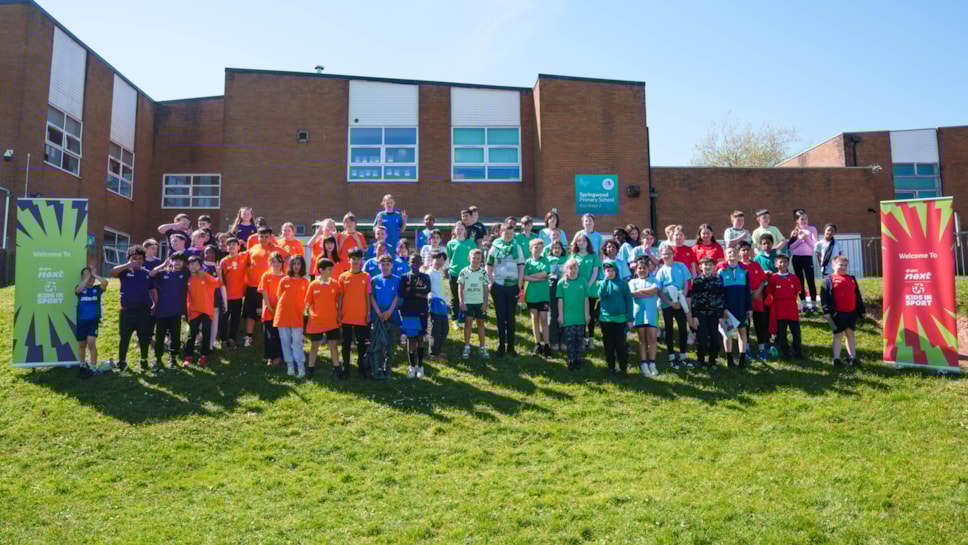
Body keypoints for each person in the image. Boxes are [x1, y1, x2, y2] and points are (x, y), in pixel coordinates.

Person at [110, 245, 153, 371]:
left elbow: (152, 289)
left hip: (143, 311)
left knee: (144, 337)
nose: (137, 261)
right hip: (126, 311)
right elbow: (112, 272)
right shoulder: (124, 272)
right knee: (124, 337)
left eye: (140, 258)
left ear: (143, 260)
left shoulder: (146, 274)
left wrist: (155, 303)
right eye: (134, 258)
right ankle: (122, 362)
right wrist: (128, 265)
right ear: (129, 259)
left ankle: (144, 361)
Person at [486, 220, 526, 358]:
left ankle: (511, 347)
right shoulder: (494, 247)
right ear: (500, 233)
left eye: (511, 233)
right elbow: (489, 265)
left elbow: (521, 266)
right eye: (506, 233)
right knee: (500, 316)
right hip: (499, 286)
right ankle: (501, 345)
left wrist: (519, 284)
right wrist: (491, 282)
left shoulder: (517, 247)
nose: (508, 235)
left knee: (511, 317)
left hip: (512, 287)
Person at [244, 227, 288, 347]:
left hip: (270, 286)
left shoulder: (275, 249)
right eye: (261, 236)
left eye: (266, 237)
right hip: (253, 286)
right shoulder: (252, 249)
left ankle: (272, 336)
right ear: (257, 237)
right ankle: (248, 337)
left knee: (271, 311)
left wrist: (286, 270)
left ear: (271, 237)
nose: (263, 239)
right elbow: (246, 262)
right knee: (251, 313)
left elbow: (287, 257)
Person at [822, 256, 865, 369]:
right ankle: (836, 359)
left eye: (845, 265)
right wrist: (826, 311)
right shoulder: (828, 279)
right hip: (837, 313)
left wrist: (861, 310)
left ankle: (853, 358)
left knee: (850, 334)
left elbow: (857, 295)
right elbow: (825, 296)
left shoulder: (851, 278)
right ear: (833, 265)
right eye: (840, 264)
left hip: (851, 312)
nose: (843, 267)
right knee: (837, 335)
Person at [305, 258, 344, 379]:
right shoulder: (312, 285)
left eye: (331, 269)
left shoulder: (335, 284)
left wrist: (338, 315)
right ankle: (310, 369)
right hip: (316, 321)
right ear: (321, 270)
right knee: (315, 345)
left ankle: (337, 368)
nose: (331, 271)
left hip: (332, 320)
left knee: (333, 344)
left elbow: (340, 301)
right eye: (329, 269)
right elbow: (307, 303)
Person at [149, 253, 188, 370]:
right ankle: (158, 360)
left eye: (180, 260)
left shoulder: (185, 274)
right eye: (175, 260)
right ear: (170, 261)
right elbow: (151, 274)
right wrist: (163, 265)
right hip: (162, 312)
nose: (177, 262)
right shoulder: (163, 273)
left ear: (184, 263)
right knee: (160, 337)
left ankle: (173, 359)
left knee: (175, 337)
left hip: (176, 312)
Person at [656, 244, 692, 370]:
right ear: (661, 255)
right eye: (664, 254)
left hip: (680, 300)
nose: (667, 256)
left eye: (669, 253)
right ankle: (671, 356)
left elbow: (686, 283)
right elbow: (659, 291)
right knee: (669, 330)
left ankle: (683, 355)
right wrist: (671, 303)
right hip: (667, 304)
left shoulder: (681, 266)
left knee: (683, 328)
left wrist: (682, 299)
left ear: (673, 254)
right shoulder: (660, 271)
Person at [596, 259, 634, 376]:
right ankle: (611, 367)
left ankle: (623, 368)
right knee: (608, 345)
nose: (610, 273)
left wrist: (629, 319)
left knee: (620, 345)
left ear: (616, 271)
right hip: (606, 319)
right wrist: (605, 281)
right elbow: (601, 295)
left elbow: (629, 301)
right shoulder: (602, 283)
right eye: (608, 270)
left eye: (613, 270)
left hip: (620, 320)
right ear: (604, 271)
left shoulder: (623, 284)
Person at [338, 248, 371, 378]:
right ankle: (346, 367)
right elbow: (340, 297)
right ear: (349, 260)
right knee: (345, 344)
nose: (356, 261)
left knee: (361, 344)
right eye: (353, 258)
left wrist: (368, 313)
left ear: (362, 260)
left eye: (358, 259)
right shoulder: (343, 276)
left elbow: (367, 296)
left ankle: (362, 367)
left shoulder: (366, 276)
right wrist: (339, 313)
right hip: (346, 316)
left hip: (361, 316)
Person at [275, 255, 310, 378]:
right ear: (290, 265)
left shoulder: (306, 282)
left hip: (297, 316)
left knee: (297, 341)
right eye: (294, 264)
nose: (296, 266)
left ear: (302, 266)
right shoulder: (284, 280)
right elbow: (279, 297)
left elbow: (307, 300)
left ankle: (300, 367)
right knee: (285, 341)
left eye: (299, 264)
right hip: (283, 315)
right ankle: (290, 365)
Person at [689, 256, 726, 369]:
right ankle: (700, 359)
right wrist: (694, 316)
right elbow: (694, 299)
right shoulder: (697, 281)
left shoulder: (718, 280)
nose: (708, 267)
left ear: (714, 267)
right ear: (700, 267)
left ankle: (712, 359)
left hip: (714, 314)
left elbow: (720, 298)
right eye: (705, 265)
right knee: (702, 337)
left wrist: (720, 316)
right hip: (701, 314)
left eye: (710, 265)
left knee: (715, 337)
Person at [183, 255, 221, 366]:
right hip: (193, 310)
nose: (194, 267)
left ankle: (204, 355)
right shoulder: (186, 278)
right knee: (192, 333)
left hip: (206, 309)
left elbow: (218, 283)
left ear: (200, 265)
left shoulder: (205, 276)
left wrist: (218, 273)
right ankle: (188, 355)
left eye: (196, 264)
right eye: (191, 264)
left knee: (206, 332)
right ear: (188, 266)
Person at [719, 246, 753, 368]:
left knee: (742, 332)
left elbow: (747, 290)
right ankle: (729, 358)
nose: (732, 253)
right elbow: (720, 293)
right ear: (725, 256)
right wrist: (723, 308)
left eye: (734, 252)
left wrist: (749, 308)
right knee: (727, 334)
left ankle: (742, 358)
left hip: (741, 307)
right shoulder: (721, 271)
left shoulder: (744, 271)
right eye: (729, 252)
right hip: (728, 309)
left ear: (738, 255)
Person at [399, 254, 431, 378]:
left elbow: (426, 290)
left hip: (421, 311)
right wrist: (417, 291)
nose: (415, 264)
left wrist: (411, 290)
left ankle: (420, 365)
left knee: (420, 338)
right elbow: (402, 293)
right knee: (411, 338)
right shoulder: (404, 277)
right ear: (409, 263)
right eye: (412, 262)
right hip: (408, 311)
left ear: (421, 262)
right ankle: (411, 366)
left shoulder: (425, 276)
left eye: (417, 261)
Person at [369, 254, 401, 378]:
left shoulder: (397, 280)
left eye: (388, 264)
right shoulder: (374, 280)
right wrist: (378, 312)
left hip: (391, 316)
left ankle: (388, 368)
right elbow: (371, 297)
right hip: (378, 316)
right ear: (379, 266)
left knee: (390, 344)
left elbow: (397, 297)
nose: (385, 267)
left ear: (392, 265)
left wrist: (389, 312)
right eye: (383, 264)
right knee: (379, 344)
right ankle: (378, 368)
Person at [766, 254, 803, 360]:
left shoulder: (794, 278)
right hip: (779, 310)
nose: (783, 264)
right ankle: (785, 352)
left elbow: (798, 292)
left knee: (796, 333)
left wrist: (799, 304)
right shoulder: (773, 278)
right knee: (781, 333)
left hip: (792, 310)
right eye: (780, 262)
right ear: (776, 264)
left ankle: (797, 352)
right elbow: (770, 293)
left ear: (788, 263)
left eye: (785, 262)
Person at [557, 258, 590, 371]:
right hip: (568, 318)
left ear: (578, 269)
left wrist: (587, 314)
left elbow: (586, 299)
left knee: (579, 340)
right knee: (570, 340)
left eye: (575, 268)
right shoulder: (562, 283)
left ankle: (579, 360)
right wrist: (561, 315)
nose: (572, 270)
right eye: (570, 268)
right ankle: (571, 361)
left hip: (580, 317)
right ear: (566, 270)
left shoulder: (583, 281)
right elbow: (560, 300)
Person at [739, 241, 770, 361]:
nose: (746, 252)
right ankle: (746, 348)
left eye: (747, 249)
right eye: (743, 250)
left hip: (757, 299)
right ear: (739, 252)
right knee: (745, 325)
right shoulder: (737, 266)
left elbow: (763, 280)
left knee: (760, 324)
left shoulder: (756, 265)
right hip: (744, 301)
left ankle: (762, 348)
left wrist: (758, 291)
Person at [75, 266, 108, 374]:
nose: (90, 278)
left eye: (91, 276)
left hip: (93, 321)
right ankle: (82, 364)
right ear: (82, 278)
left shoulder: (97, 289)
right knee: (81, 344)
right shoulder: (80, 288)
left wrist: (95, 275)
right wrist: (88, 276)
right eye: (87, 275)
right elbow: (78, 290)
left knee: (91, 343)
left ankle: (93, 367)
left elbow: (105, 282)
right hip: (81, 321)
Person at [629, 257, 659, 376]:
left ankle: (652, 363)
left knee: (652, 338)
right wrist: (646, 291)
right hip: (639, 313)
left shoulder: (654, 279)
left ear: (648, 269)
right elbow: (632, 293)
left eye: (644, 268)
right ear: (636, 270)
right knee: (642, 339)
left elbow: (654, 291)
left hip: (651, 313)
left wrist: (640, 291)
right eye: (639, 268)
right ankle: (643, 363)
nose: (642, 270)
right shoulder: (632, 282)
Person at [458, 248, 490, 360]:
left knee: (481, 324)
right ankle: (467, 347)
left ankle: (482, 347)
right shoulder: (463, 271)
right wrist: (461, 302)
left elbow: (486, 289)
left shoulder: (483, 272)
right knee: (468, 323)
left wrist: (485, 302)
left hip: (480, 302)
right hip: (468, 302)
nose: (476, 260)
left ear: (481, 259)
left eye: (478, 258)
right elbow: (460, 288)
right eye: (473, 258)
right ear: (469, 258)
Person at [571, 233, 600, 349]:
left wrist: (587, 285)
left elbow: (595, 272)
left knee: (591, 315)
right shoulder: (573, 256)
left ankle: (591, 338)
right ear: (576, 243)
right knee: (581, 315)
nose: (581, 242)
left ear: (588, 243)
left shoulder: (594, 256)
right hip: (578, 290)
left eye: (584, 240)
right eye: (579, 241)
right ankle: (583, 338)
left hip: (591, 290)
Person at [523, 238, 552, 357]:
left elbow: (544, 274)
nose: (538, 250)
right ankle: (537, 344)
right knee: (534, 319)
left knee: (544, 319)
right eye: (536, 247)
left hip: (543, 295)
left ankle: (547, 345)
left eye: (540, 248)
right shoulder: (528, 262)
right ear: (531, 249)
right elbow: (524, 276)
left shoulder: (545, 260)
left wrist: (531, 276)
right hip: (531, 295)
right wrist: (536, 278)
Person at [218, 237, 247, 349]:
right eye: (229, 245)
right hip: (226, 295)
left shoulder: (244, 256)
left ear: (239, 247)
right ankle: (223, 339)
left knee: (235, 318)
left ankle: (232, 338)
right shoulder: (224, 261)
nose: (232, 247)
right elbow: (221, 280)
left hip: (238, 295)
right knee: (224, 317)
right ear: (227, 247)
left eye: (234, 244)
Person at [258, 252, 286, 367]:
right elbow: (264, 292)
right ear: (270, 262)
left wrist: (279, 309)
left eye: (279, 261)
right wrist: (270, 307)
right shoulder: (266, 275)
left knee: (279, 335)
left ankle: (278, 357)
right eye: (274, 261)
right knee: (269, 334)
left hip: (281, 310)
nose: (277, 264)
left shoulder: (285, 277)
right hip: (269, 308)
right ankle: (270, 357)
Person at [446, 221, 477, 327]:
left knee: (466, 297)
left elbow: (475, 259)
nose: (459, 231)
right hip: (454, 274)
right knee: (455, 297)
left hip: (468, 274)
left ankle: (464, 318)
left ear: (465, 231)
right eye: (457, 229)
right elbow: (449, 258)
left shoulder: (471, 243)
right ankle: (455, 320)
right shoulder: (451, 243)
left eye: (461, 229)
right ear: (455, 230)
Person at [788, 209, 819, 313]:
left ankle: (814, 305)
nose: (804, 220)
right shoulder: (795, 231)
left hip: (807, 258)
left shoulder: (812, 229)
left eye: (806, 218)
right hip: (797, 258)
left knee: (810, 280)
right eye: (802, 219)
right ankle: (804, 305)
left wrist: (806, 238)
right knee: (799, 281)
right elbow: (791, 247)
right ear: (797, 220)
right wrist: (800, 239)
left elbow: (815, 245)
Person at [425, 250, 450, 361]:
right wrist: (428, 307)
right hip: (434, 305)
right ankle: (433, 354)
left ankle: (437, 351)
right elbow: (427, 291)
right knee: (435, 331)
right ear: (432, 259)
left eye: (442, 260)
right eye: (438, 259)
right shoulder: (429, 273)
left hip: (441, 305)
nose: (440, 262)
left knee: (444, 330)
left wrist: (446, 302)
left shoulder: (439, 273)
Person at [545, 239, 569, 350]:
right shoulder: (547, 260)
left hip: (565, 288)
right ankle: (554, 341)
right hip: (551, 288)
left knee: (565, 313)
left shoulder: (567, 260)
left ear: (562, 249)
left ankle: (564, 340)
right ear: (551, 250)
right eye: (554, 248)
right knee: (553, 314)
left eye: (559, 248)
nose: (557, 250)